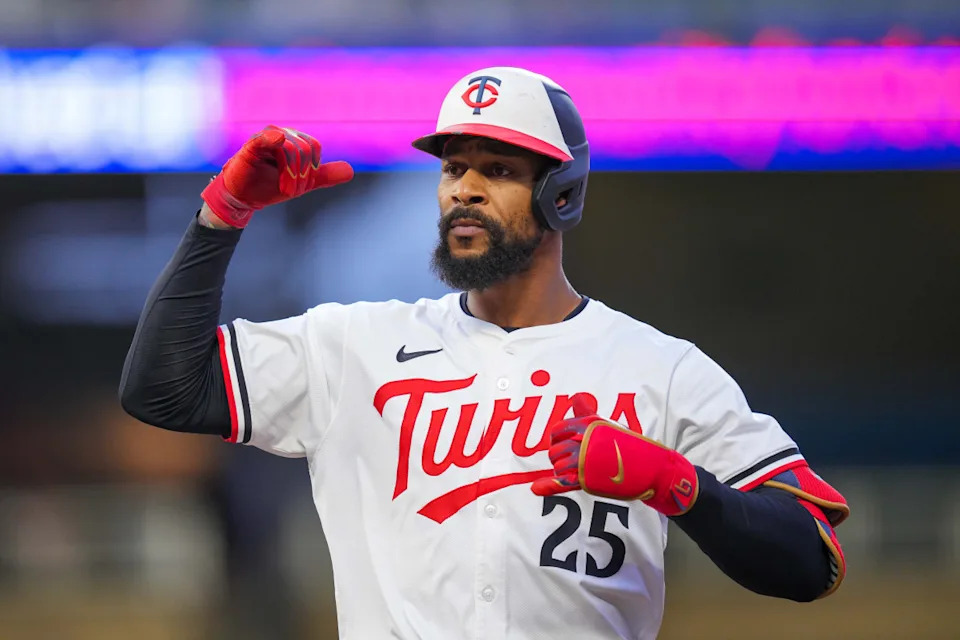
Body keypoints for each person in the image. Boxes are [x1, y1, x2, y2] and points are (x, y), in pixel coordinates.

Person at [120, 67, 849, 640]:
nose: (464, 189)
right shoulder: (355, 344)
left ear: (561, 194)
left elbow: (811, 559)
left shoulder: (660, 369)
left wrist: (679, 486)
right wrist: (222, 215)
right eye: (453, 166)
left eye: (497, 169)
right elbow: (162, 388)